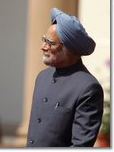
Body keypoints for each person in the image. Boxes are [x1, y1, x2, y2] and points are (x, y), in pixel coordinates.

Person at [26, 8, 104, 147]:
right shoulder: (42, 77)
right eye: (44, 40)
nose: (43, 47)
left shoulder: (88, 88)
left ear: (69, 49)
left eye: (50, 43)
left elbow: (81, 146)